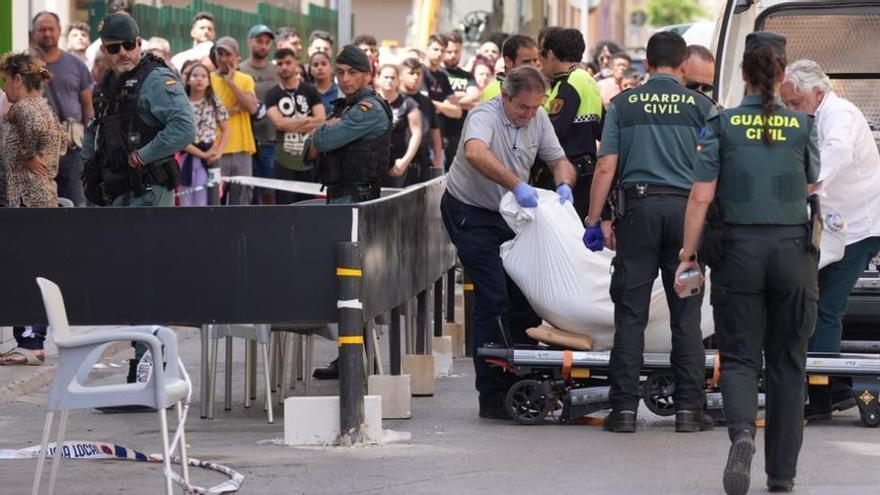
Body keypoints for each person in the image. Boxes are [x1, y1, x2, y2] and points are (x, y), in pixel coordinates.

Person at [675, 33, 820, 495]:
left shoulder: (722, 123)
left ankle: (742, 435)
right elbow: (813, 183)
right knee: (788, 363)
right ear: (782, 75)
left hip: (739, 253)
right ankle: (782, 475)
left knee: (738, 357)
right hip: (793, 253)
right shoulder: (802, 126)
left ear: (742, 74)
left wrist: (688, 253)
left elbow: (701, 196)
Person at [583, 31, 716, 434]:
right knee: (686, 316)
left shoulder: (623, 104)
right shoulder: (702, 106)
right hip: (686, 218)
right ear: (682, 65)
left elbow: (606, 165)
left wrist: (593, 219)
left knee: (630, 314)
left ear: (646, 63)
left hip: (637, 214)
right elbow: (713, 168)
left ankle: (623, 411)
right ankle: (689, 411)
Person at [442, 65, 576, 419]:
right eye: (522, 108)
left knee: (526, 295)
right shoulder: (484, 115)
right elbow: (475, 153)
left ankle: (527, 381)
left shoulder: (538, 117)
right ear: (505, 97)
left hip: (510, 214)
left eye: (536, 108)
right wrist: (516, 184)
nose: (529, 115)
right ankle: (492, 394)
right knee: (493, 296)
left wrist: (564, 184)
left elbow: (559, 159)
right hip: (472, 211)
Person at [781, 59, 880, 421]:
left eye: (795, 103)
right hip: (837, 224)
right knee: (816, 301)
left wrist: (805, 185)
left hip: (858, 226)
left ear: (817, 94)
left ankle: (826, 393)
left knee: (826, 305)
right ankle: (828, 387)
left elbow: (834, 154)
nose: (791, 110)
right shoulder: (818, 115)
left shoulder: (840, 115)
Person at [83, 13, 195, 208]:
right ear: (103, 50)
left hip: (148, 191)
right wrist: (89, 167)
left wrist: (142, 156)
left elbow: (184, 127)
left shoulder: (155, 78)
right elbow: (97, 127)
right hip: (114, 192)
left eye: (128, 45)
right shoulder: (107, 82)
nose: (123, 52)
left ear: (138, 44)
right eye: (114, 47)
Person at [0, 53, 67, 366]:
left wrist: (28, 154)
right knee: (33, 270)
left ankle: (30, 342)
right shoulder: (42, 105)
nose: (5, 89)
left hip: (27, 199)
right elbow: (63, 140)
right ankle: (31, 340)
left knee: (25, 272)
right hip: (37, 197)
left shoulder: (26, 107)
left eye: (5, 81)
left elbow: (37, 131)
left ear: (17, 79)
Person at [303, 45, 391, 204]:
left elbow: (323, 142)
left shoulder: (369, 109)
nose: (345, 79)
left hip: (357, 198)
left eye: (352, 72)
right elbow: (308, 155)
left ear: (368, 76)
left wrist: (318, 132)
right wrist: (323, 131)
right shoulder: (342, 106)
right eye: (340, 72)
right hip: (338, 194)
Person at [534, 28, 604, 219]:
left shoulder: (569, 84)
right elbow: (602, 130)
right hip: (587, 171)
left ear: (550, 54)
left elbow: (554, 131)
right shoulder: (589, 81)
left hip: (567, 175)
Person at [31, 11, 93, 207]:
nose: (47, 33)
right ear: (34, 33)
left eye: (51, 29)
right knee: (39, 203)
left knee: (75, 201)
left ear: (59, 32)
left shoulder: (76, 65)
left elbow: (87, 104)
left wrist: (88, 137)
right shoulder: (24, 64)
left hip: (71, 147)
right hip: (36, 148)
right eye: (42, 29)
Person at [265, 48, 325, 204]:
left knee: (309, 207)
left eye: (288, 62)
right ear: (275, 67)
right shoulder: (272, 94)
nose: (284, 67)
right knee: (285, 207)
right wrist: (306, 120)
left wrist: (290, 124)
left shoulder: (309, 90)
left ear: (296, 63)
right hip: (284, 161)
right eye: (280, 63)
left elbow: (320, 119)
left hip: (308, 160)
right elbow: (279, 124)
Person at [210, 36, 258, 205]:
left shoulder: (245, 79)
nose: (223, 59)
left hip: (242, 149)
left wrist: (231, 83)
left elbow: (252, 108)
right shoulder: (208, 80)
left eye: (227, 54)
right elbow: (209, 114)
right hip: (217, 148)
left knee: (242, 200)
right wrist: (235, 109)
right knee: (214, 198)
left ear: (237, 56)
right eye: (220, 53)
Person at [178, 63, 229, 207]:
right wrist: (201, 154)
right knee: (185, 201)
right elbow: (179, 137)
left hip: (210, 158)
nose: (199, 79)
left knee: (207, 201)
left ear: (208, 81)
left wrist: (218, 152)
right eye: (195, 75)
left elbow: (226, 128)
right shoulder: (181, 104)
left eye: (203, 76)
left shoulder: (214, 101)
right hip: (187, 156)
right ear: (188, 80)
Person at [240, 24, 279, 205]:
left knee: (270, 192)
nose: (263, 46)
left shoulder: (276, 71)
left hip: (270, 140)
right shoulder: (240, 70)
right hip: (246, 141)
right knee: (247, 193)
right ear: (249, 42)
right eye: (259, 41)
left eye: (266, 42)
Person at [376, 63, 422, 187]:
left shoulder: (408, 103)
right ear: (377, 79)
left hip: (397, 164)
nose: (389, 81)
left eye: (392, 78)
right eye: (386, 77)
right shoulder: (370, 102)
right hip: (372, 164)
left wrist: (405, 161)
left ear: (398, 80)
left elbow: (416, 134)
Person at [423, 33, 462, 168]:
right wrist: (444, 106)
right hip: (422, 139)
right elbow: (424, 104)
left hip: (439, 140)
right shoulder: (419, 72)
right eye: (435, 49)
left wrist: (435, 105)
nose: (439, 54)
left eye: (442, 50)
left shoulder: (442, 76)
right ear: (426, 49)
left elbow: (457, 112)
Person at [399, 57, 439, 185]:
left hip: (422, 161)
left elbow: (435, 131)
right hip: (399, 160)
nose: (415, 77)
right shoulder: (394, 99)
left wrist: (438, 158)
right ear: (400, 76)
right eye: (411, 73)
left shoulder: (426, 102)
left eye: (418, 73)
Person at [442, 32, 478, 170]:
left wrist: (448, 99)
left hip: (460, 134)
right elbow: (435, 99)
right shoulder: (438, 74)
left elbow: (474, 97)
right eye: (449, 51)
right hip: (441, 132)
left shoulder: (466, 76)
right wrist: (462, 96)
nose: (453, 55)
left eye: (456, 51)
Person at [481, 35, 539, 101]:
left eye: (535, 60)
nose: (533, 66)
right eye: (526, 62)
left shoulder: (539, 87)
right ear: (508, 62)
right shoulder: (494, 92)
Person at [309, 51, 339, 115]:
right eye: (315, 65)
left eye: (324, 64)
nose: (320, 68)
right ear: (311, 70)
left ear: (331, 68)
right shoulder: (306, 93)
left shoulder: (340, 92)